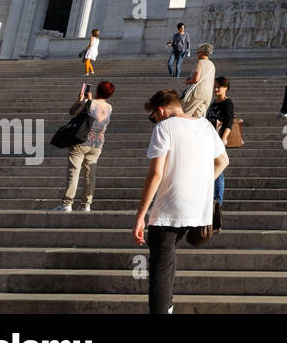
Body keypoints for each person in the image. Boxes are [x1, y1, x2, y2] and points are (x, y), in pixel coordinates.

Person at [133, 89, 228, 314]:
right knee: (168, 263)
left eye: (153, 117)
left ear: (160, 111)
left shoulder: (163, 128)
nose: (154, 121)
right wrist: (201, 183)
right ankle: (168, 307)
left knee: (160, 271)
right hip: (199, 210)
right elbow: (223, 161)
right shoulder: (205, 125)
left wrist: (140, 216)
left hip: (169, 209)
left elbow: (156, 174)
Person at [53, 79, 114, 213]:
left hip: (81, 141)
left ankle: (67, 204)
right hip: (97, 144)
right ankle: (86, 204)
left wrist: (81, 99)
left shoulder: (89, 102)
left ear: (98, 90)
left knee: (73, 172)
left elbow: (73, 112)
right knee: (90, 174)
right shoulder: (109, 107)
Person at [206, 76, 235, 225]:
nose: (216, 89)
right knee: (215, 167)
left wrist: (224, 137)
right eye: (215, 86)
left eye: (219, 87)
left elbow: (229, 120)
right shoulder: (213, 103)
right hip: (209, 139)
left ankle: (218, 199)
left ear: (226, 88)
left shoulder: (227, 102)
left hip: (218, 139)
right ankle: (214, 198)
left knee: (219, 167)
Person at [180, 43, 216, 120]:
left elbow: (196, 79)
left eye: (198, 52)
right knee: (198, 117)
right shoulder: (212, 65)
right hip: (208, 95)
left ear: (203, 52)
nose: (197, 54)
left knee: (187, 114)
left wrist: (187, 82)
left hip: (198, 93)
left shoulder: (201, 62)